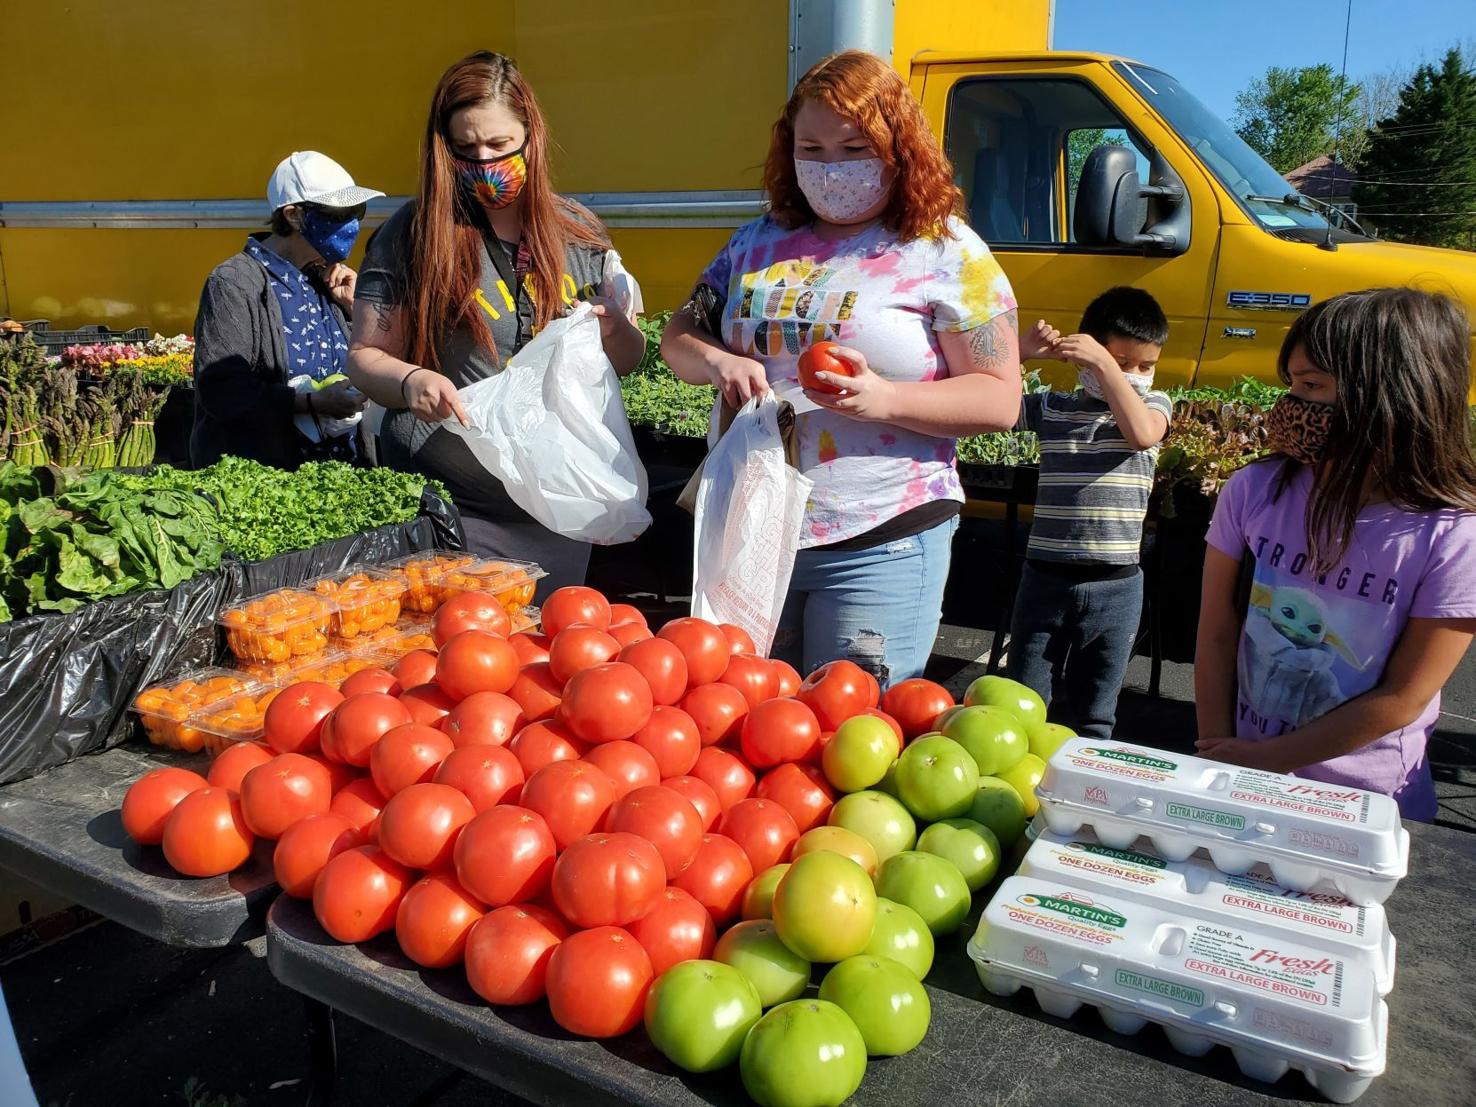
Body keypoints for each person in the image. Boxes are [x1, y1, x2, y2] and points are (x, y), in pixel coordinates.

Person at [661, 50, 1021, 687]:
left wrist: (884, 398)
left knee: (851, 730)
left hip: (880, 537)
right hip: (754, 531)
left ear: (899, 149)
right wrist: (718, 361)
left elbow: (999, 399)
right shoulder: (756, 242)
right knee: (745, 723)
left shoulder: (946, 250)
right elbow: (679, 336)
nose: (831, 168)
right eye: (812, 148)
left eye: (854, 148)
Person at [348, 52, 645, 595]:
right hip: (452, 509)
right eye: (465, 149)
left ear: (532, 136)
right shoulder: (414, 234)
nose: (484, 162)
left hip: (555, 507)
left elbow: (622, 362)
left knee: (547, 643)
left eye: (499, 144)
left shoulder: (577, 232)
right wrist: (411, 381)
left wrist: (617, 330)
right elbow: (365, 357)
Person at [1195, 288, 1476, 819]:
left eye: (1311, 385)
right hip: (1242, 776)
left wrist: (1265, 761)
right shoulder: (1255, 489)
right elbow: (1216, 628)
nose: (1289, 406)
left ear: (1390, 396)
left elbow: (1404, 697)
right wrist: (1219, 751)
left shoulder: (1454, 537)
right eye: (1291, 384)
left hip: (1367, 806)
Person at [1005, 288, 1173, 738]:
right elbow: (994, 409)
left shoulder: (1154, 406)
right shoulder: (1053, 408)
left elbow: (1142, 435)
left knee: (1095, 715)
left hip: (1116, 587)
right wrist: (1019, 354)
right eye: (1121, 362)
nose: (1135, 375)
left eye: (1146, 366)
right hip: (1045, 579)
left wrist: (1106, 365)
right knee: (1022, 706)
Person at [191, 151, 381, 469]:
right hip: (268, 481)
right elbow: (222, 390)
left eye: (357, 212)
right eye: (339, 214)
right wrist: (311, 402)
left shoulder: (326, 280)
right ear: (294, 216)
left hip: (339, 474)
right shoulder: (234, 282)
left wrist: (355, 308)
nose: (352, 224)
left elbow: (372, 361)